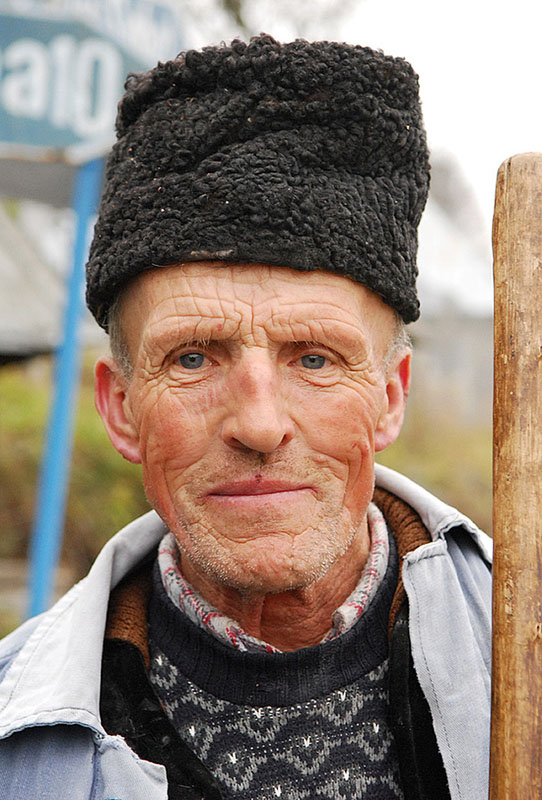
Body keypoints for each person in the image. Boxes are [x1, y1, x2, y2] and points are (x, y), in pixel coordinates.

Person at [0, 35, 492, 800]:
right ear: (121, 407)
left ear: (391, 396)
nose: (260, 425)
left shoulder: (519, 655)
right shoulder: (17, 747)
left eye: (316, 359)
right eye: (193, 358)